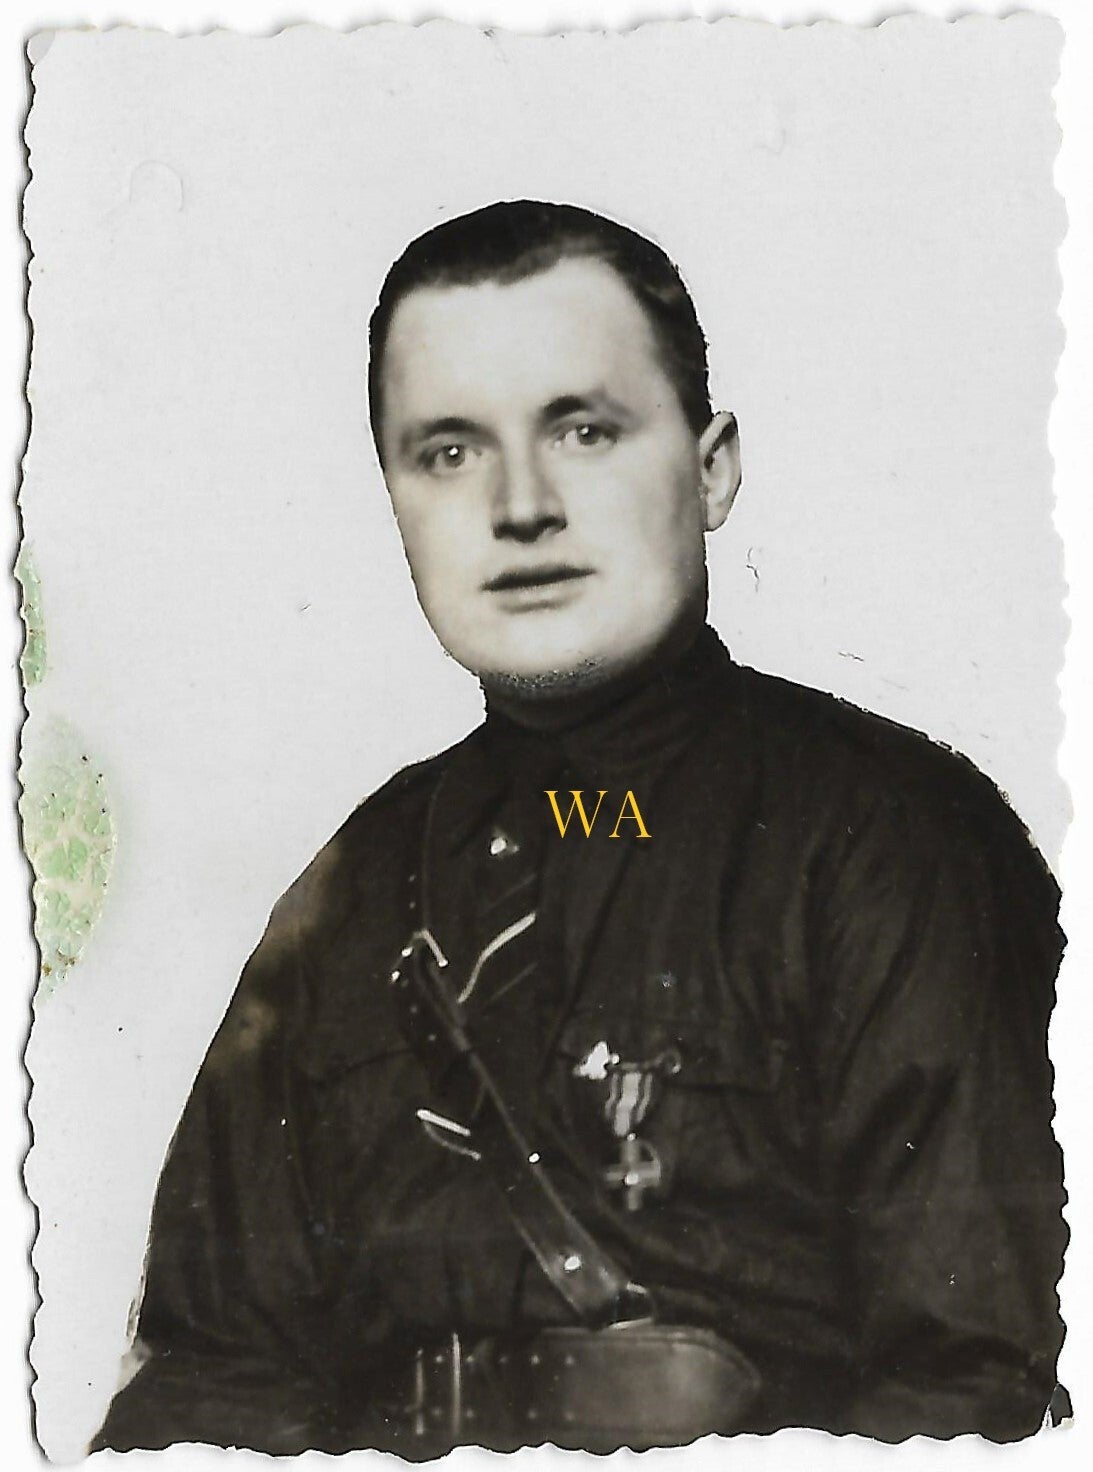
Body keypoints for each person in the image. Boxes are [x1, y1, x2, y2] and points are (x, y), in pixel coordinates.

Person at [93, 201, 1066, 1454]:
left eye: (584, 429)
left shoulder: (886, 838)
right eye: (447, 451)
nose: (520, 504)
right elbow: (205, 1387)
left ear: (710, 468)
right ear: (392, 496)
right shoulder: (352, 887)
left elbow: (981, 1395)